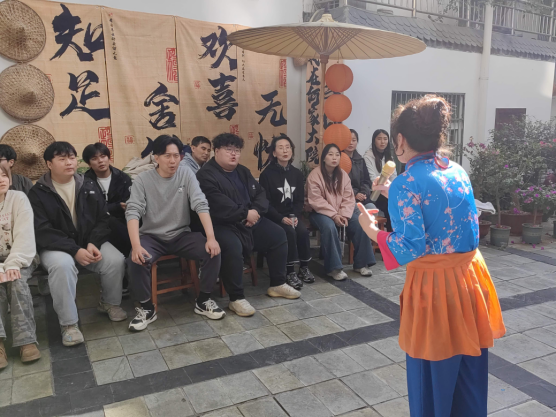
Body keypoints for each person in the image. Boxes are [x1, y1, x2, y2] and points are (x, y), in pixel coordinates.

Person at [357, 95, 505, 417]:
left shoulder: (406, 184)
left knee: (431, 380)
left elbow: (409, 246)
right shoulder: (457, 171)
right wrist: (396, 191)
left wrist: (371, 230)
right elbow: (447, 210)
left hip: (436, 288)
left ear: (399, 140)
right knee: (468, 373)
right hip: (471, 281)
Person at [28, 142, 127, 347]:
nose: (69, 163)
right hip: (55, 247)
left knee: (115, 260)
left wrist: (92, 242)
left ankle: (109, 303)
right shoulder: (38, 193)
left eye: (72, 158)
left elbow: (102, 219)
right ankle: (69, 324)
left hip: (87, 242)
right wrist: (74, 250)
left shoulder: (88, 185)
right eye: (62, 159)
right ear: (49, 164)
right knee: (62, 266)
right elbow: (42, 230)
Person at [125, 135, 224, 331]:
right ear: (156, 157)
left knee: (213, 251)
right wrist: (136, 246)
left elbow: (200, 203)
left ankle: (203, 301)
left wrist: (211, 238)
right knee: (136, 259)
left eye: (176, 156)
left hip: (181, 235)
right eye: (167, 156)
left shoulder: (186, 173)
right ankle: (147, 308)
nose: (172, 161)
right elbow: (133, 211)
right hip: (152, 237)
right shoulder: (143, 180)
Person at [197, 133, 300, 317]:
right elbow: (218, 203)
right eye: (229, 150)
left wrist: (255, 212)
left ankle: (277, 283)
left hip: (250, 220)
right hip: (222, 224)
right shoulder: (205, 175)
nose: (234, 154)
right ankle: (236, 298)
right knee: (232, 246)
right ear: (216, 151)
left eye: (237, 150)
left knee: (278, 234)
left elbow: (260, 194)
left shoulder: (242, 171)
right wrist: (245, 214)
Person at [306, 144, 376, 281]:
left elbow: (349, 198)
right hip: (320, 213)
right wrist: (334, 215)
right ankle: (334, 268)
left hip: (343, 212)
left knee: (360, 224)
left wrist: (343, 214)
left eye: (337, 155)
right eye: (330, 154)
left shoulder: (343, 175)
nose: (334, 158)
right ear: (323, 158)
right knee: (329, 227)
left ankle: (361, 264)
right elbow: (316, 200)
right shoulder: (315, 175)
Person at [259, 135, 314, 287]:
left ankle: (304, 267)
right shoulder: (266, 175)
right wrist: (281, 218)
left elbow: (299, 200)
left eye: (288, 147)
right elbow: (265, 203)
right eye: (281, 148)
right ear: (274, 153)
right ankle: (290, 271)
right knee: (289, 232)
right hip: (274, 217)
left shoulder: (296, 174)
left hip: (292, 215)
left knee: (302, 231)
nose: (285, 151)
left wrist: (294, 216)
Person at [0, 165, 41, 368]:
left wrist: (12, 264)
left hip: (22, 256)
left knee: (16, 282)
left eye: (3, 175)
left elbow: (25, 236)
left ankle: (26, 341)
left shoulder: (18, 198)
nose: (1, 179)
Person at [83, 143, 132, 296]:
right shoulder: (84, 182)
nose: (100, 161)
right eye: (94, 158)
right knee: (109, 224)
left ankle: (123, 275)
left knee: (120, 226)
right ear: (88, 163)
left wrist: (113, 209)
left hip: (122, 222)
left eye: (103, 156)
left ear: (109, 158)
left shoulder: (122, 178)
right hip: (97, 224)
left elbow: (128, 203)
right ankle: (122, 276)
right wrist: (115, 207)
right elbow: (90, 210)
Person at [363, 129, 397, 230]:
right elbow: (372, 177)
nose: (382, 142)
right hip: (373, 192)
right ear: (374, 141)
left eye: (385, 139)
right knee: (389, 206)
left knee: (396, 204)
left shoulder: (389, 156)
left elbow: (394, 176)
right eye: (379, 139)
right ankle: (389, 234)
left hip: (386, 191)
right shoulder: (367, 156)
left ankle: (394, 234)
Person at [344, 130, 374, 209]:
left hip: (362, 198)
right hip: (346, 198)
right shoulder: (339, 160)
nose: (351, 143)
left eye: (354, 140)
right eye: (347, 140)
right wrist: (355, 194)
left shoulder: (360, 160)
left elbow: (366, 181)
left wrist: (363, 193)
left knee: (372, 208)